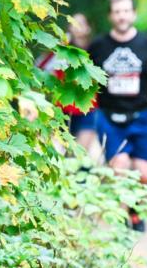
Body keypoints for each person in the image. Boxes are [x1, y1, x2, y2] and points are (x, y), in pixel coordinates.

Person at [89, 0, 147, 231]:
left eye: (126, 11)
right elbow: (82, 73)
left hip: (142, 116)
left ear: (133, 14)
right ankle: (121, 221)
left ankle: (135, 208)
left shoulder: (146, 43)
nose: (121, 16)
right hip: (110, 117)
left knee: (144, 174)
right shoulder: (98, 46)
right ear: (110, 16)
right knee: (120, 170)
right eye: (117, 12)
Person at [33, 13, 101, 161]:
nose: (77, 28)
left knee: (78, 157)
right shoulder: (61, 51)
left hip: (87, 109)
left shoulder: (96, 50)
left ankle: (80, 181)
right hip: (61, 109)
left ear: (88, 28)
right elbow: (38, 69)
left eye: (81, 24)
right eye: (73, 24)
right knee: (59, 156)